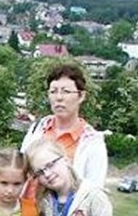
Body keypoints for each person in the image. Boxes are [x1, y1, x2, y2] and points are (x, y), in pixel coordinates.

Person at [21, 62, 108, 191]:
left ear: (81, 96)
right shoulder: (37, 129)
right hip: (29, 208)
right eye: (53, 91)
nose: (59, 98)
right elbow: (22, 168)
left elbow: (94, 190)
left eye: (66, 91)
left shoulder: (92, 142)